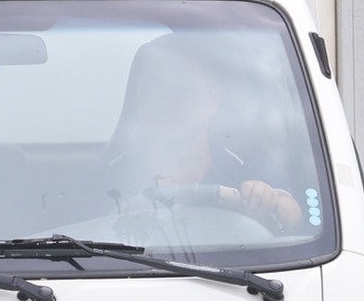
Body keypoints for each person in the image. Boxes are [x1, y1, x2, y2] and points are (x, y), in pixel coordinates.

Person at [104, 36, 303, 233]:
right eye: (156, 89)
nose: (168, 102)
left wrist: (266, 202)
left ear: (214, 98)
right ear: (140, 98)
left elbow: (291, 218)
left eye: (183, 89)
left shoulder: (248, 167)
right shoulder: (107, 178)